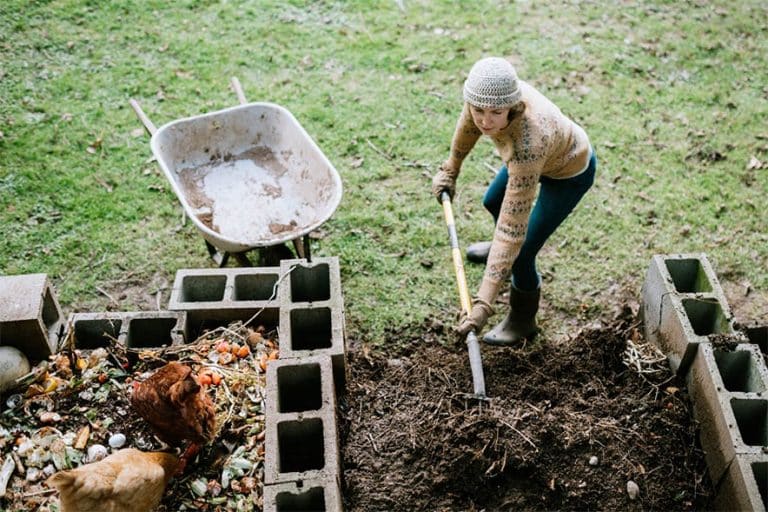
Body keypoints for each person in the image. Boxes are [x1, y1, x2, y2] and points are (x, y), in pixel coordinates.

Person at [432, 56, 597, 345]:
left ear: (512, 106)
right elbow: (467, 127)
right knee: (492, 201)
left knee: (521, 251)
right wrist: (451, 169)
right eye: (479, 110)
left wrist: (482, 304)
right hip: (539, 160)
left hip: (568, 172)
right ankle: (500, 261)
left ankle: (523, 321)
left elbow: (512, 230)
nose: (485, 120)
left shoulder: (529, 142)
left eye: (496, 113)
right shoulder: (484, 95)